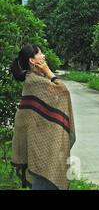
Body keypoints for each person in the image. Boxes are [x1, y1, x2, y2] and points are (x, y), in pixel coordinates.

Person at [10, 44, 75, 190]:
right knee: (44, 174)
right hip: (40, 145)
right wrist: (48, 71)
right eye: (40, 53)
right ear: (32, 60)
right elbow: (63, 92)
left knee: (44, 174)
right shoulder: (35, 81)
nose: (44, 56)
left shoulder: (35, 79)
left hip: (42, 141)